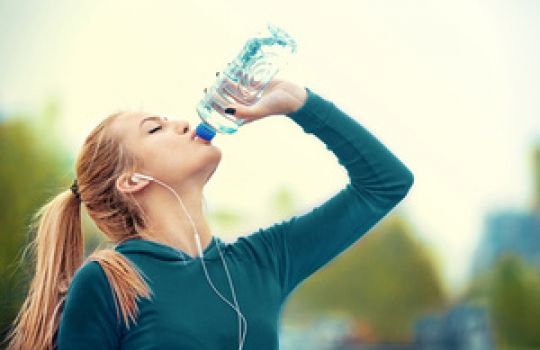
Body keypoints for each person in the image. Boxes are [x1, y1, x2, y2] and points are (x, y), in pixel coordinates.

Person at [3, 79, 414, 350]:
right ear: (131, 180)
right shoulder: (110, 282)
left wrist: (297, 103)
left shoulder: (263, 262)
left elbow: (385, 183)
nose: (182, 123)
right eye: (155, 128)